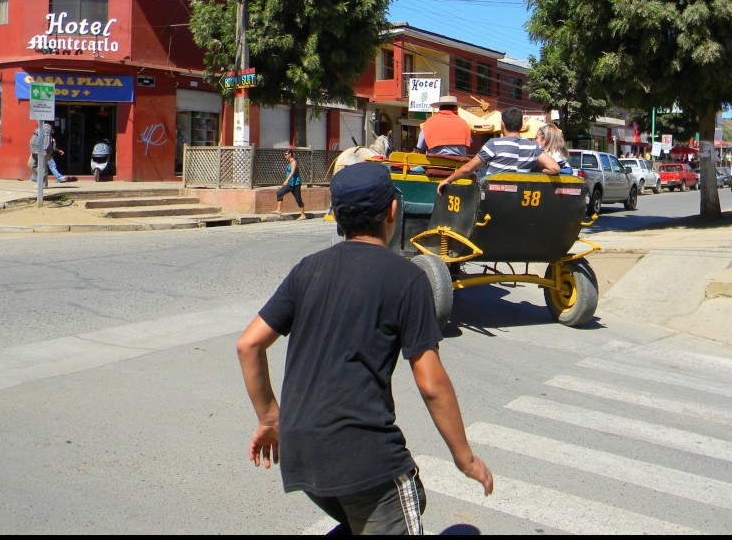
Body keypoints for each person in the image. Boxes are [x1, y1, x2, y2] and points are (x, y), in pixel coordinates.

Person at [237, 162, 493, 534]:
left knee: (397, 504)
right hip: (365, 456)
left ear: (337, 217)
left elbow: (249, 344)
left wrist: (270, 417)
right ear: (393, 211)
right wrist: (465, 458)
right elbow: (432, 384)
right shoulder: (407, 278)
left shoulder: (307, 270)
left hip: (302, 454)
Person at [436, 107, 560, 195]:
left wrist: (448, 180)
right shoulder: (533, 147)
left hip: (492, 196)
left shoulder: (494, 144)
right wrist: (534, 171)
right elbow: (554, 168)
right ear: (521, 125)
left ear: (502, 124)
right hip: (519, 196)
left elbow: (469, 168)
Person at [274, 149, 307, 220]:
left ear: (290, 154)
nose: (285, 156)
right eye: (284, 154)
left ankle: (303, 215)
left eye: (286, 154)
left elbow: (292, 172)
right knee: (279, 192)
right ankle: (279, 210)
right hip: (289, 184)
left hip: (295, 184)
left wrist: (286, 180)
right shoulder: (289, 162)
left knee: (298, 199)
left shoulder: (294, 162)